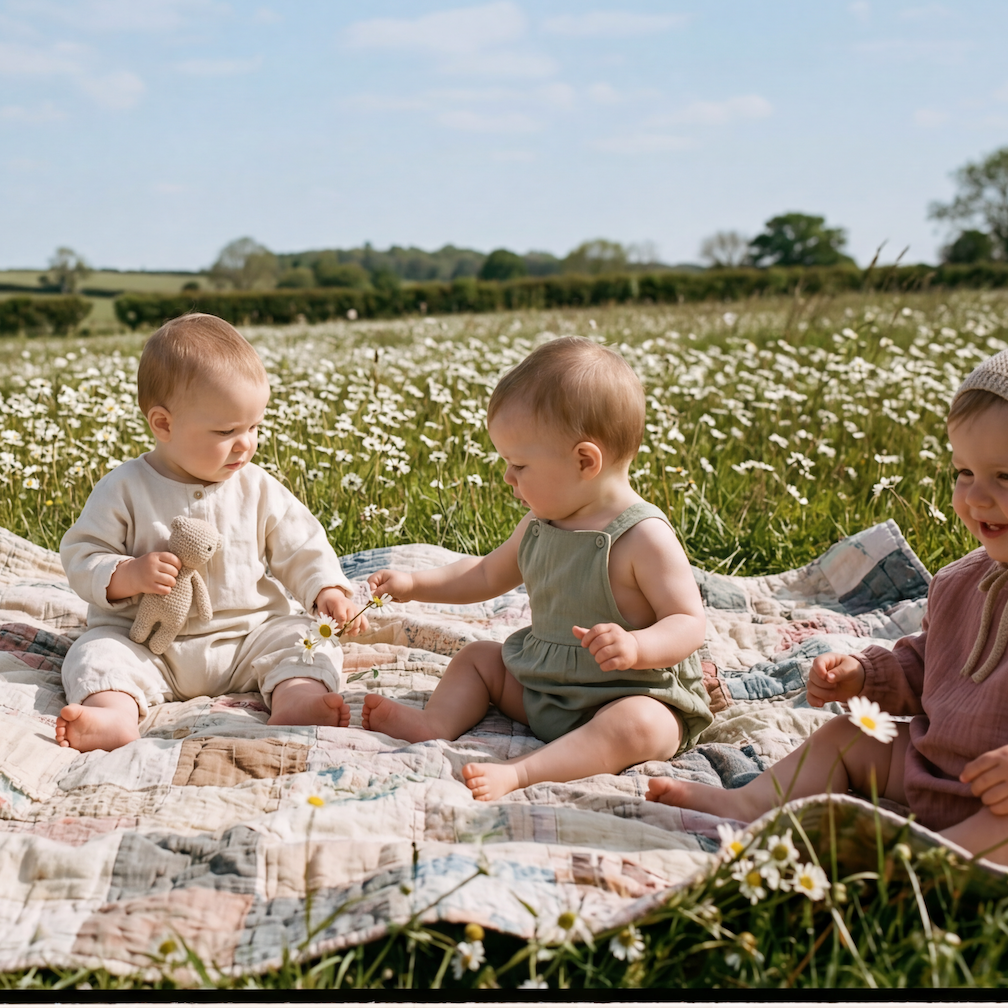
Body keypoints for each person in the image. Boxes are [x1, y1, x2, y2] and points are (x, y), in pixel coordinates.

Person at [648, 317, 1008, 870]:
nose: (974, 497)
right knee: (846, 736)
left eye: (1006, 478)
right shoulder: (969, 577)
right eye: (964, 472)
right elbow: (934, 662)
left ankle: (925, 873)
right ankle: (751, 801)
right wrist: (868, 677)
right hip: (935, 767)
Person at [362, 336, 712, 799]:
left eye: (519, 464)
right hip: (545, 689)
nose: (508, 477)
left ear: (585, 461)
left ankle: (525, 771)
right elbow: (485, 574)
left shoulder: (641, 536)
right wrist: (413, 584)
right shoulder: (539, 523)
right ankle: (435, 722)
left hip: (629, 691)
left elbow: (689, 623)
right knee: (478, 658)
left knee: (641, 726)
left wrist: (637, 646)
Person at [55, 314, 365, 753]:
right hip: (147, 646)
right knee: (94, 655)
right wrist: (127, 573)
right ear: (163, 424)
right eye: (226, 432)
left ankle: (299, 698)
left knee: (302, 639)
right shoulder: (124, 488)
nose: (246, 444)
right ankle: (112, 713)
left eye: (254, 427)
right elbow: (82, 554)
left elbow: (302, 543)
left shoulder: (257, 487)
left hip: (249, 636)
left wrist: (326, 589)